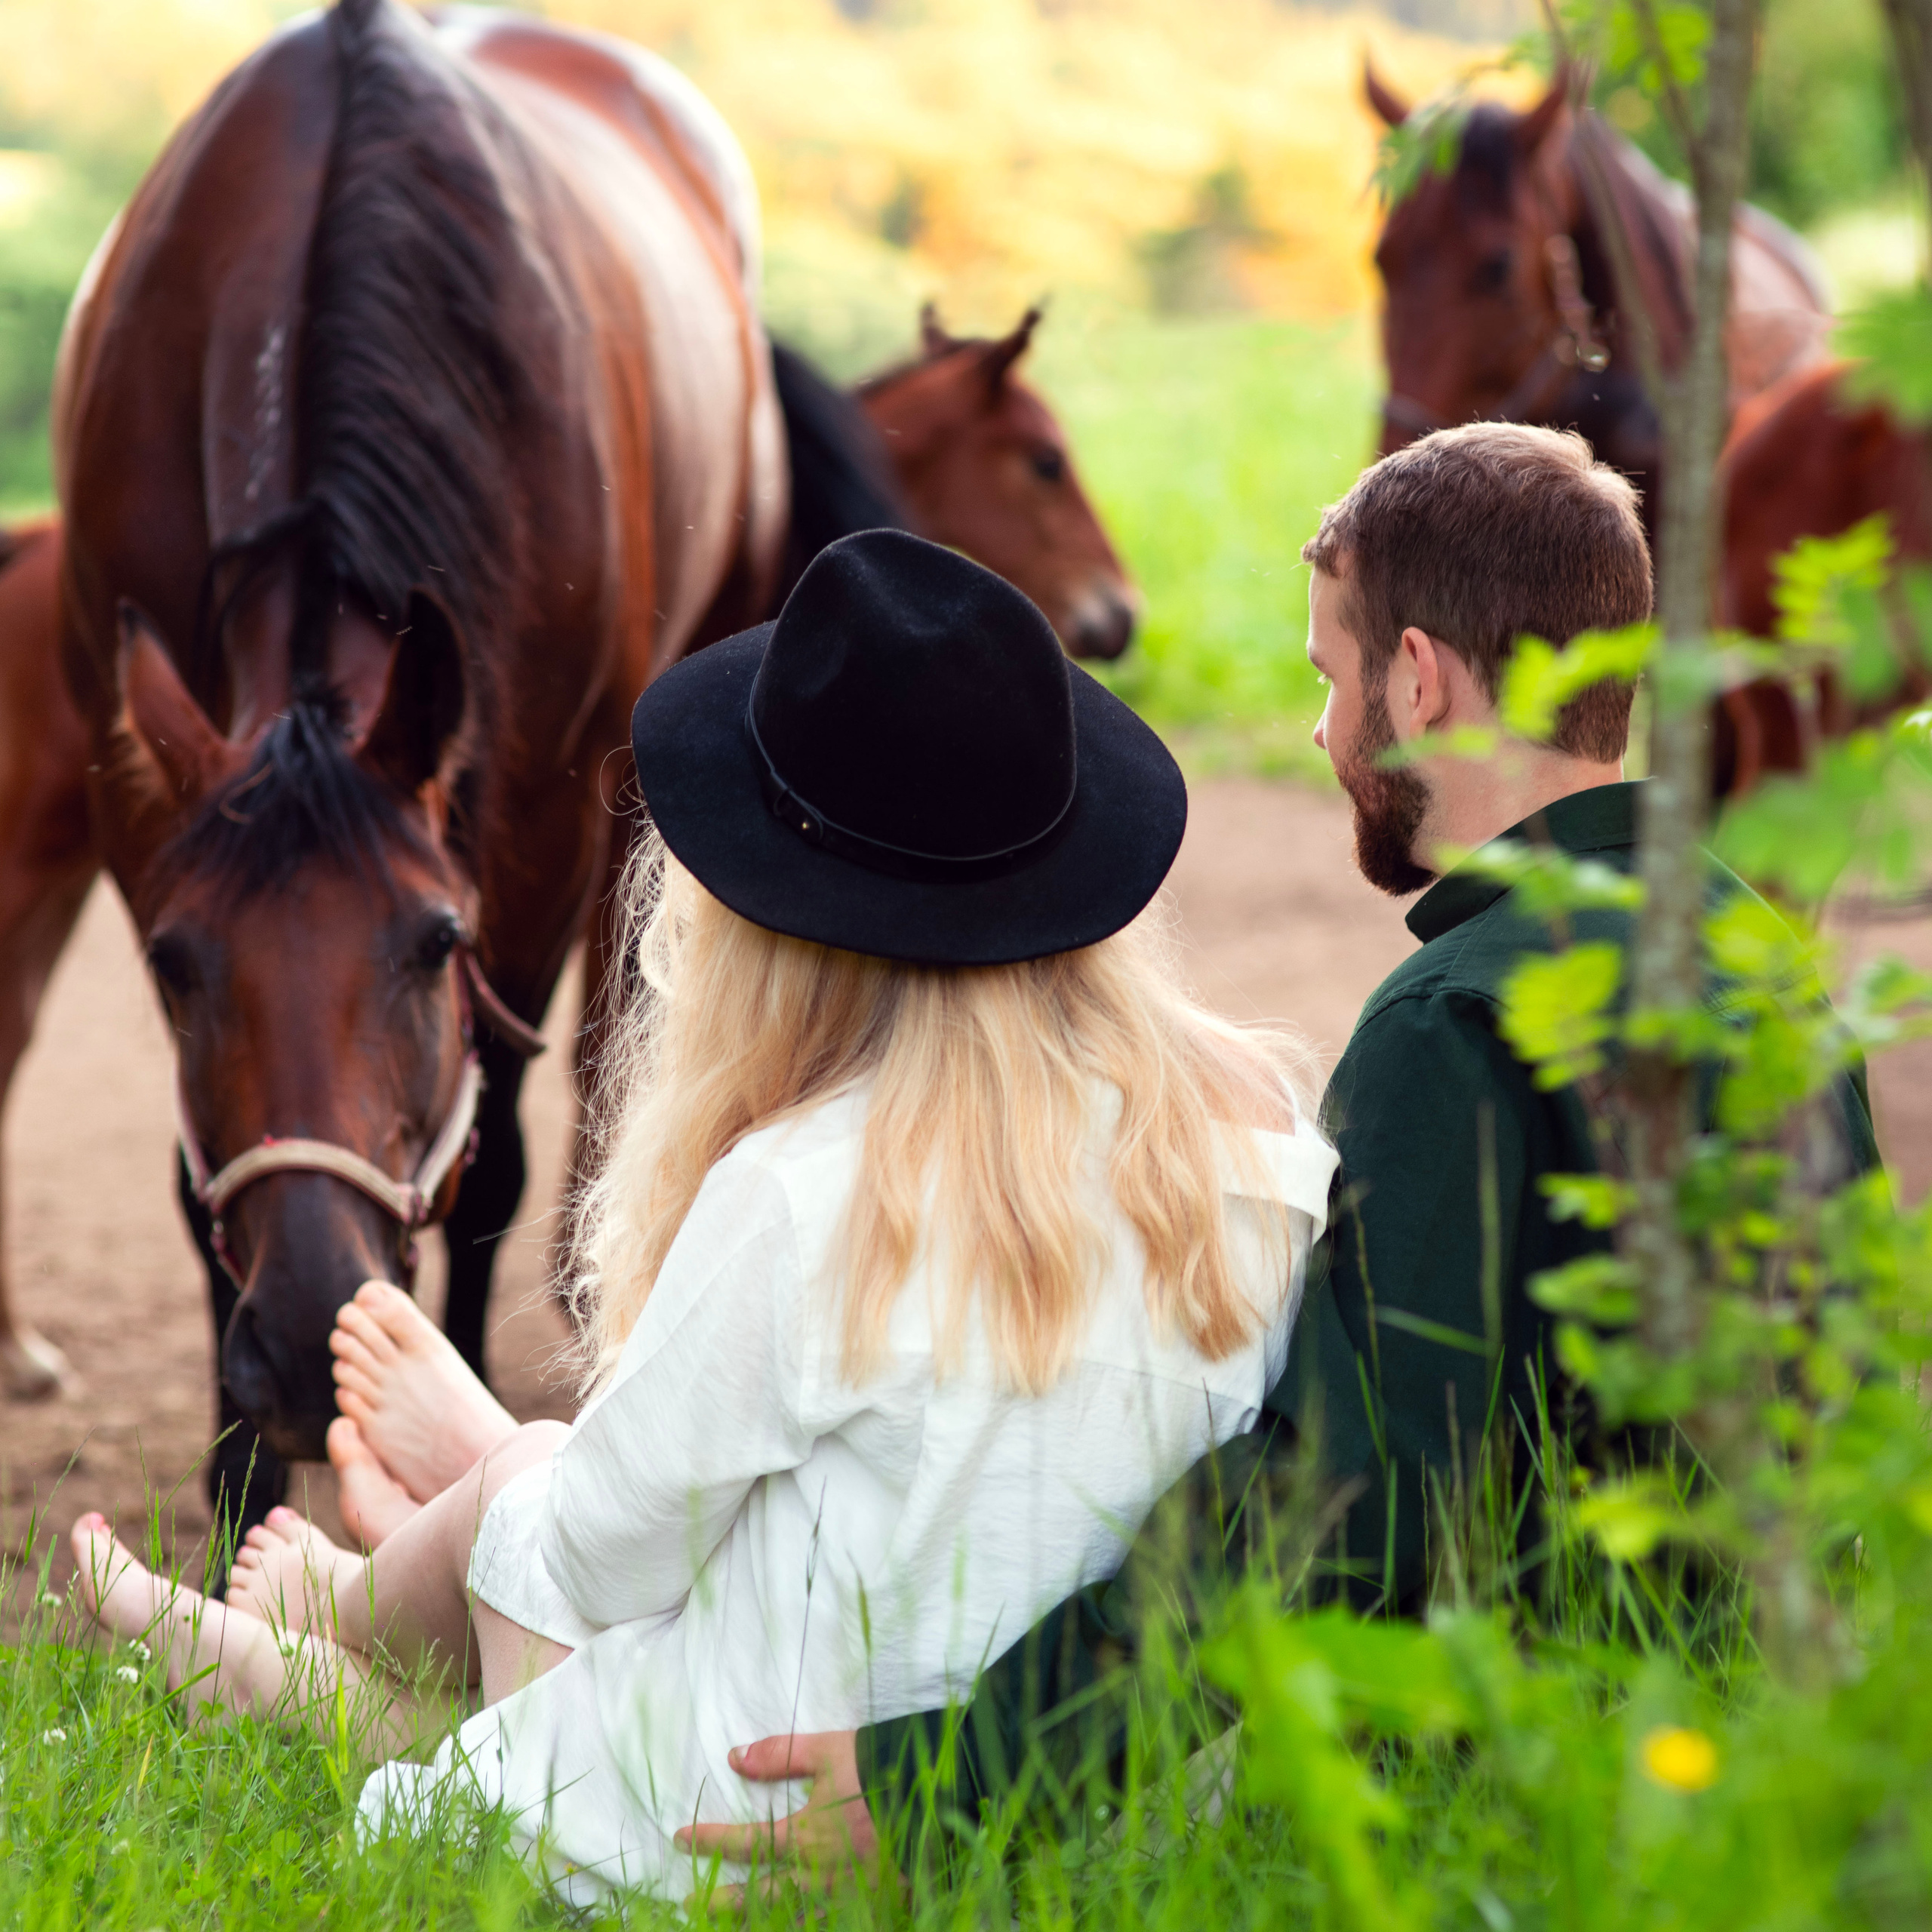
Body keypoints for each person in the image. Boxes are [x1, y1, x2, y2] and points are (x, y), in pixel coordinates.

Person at [67, 530, 1338, 1903]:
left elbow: (603, 1563)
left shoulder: (809, 1192)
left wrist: (509, 1474)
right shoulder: (1270, 1160)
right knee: (654, 1538)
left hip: (776, 1820)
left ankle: (308, 1648)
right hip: (1104, 1811)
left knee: (541, 1602)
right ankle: (358, 1606)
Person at [691, 422, 1881, 1864]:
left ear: (1422, 678)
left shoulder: (1457, 1020)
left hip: (1522, 1822)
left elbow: (1332, 1506)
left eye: (1332, 678)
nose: (1325, 736)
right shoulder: (1757, 956)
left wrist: (954, 1779)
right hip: (1773, 1782)